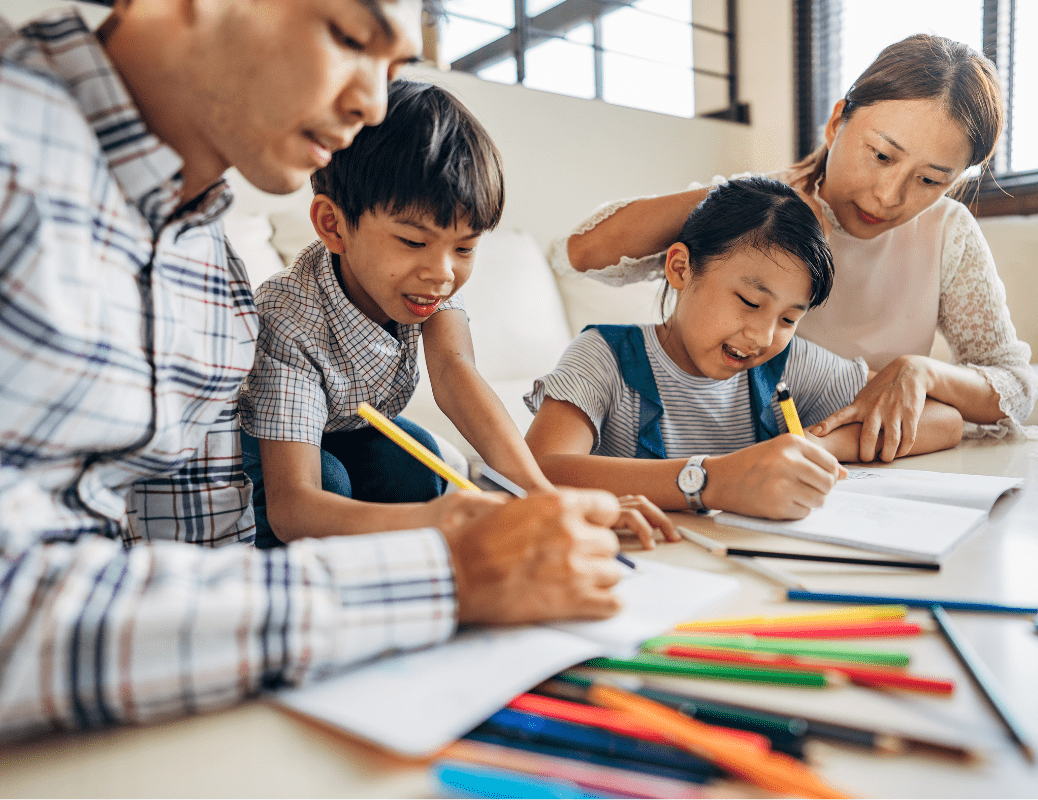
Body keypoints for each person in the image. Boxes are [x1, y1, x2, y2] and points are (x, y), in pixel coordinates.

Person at [0, 0, 625, 740]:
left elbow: (201, 538)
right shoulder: (21, 158)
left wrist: (530, 509)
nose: (370, 102)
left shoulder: (208, 271)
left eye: (393, 65)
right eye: (350, 36)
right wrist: (444, 573)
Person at [557, 34, 1038, 464]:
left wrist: (921, 373)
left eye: (931, 180)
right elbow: (581, 253)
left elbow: (1014, 386)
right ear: (837, 123)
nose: (888, 196)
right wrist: (746, 194)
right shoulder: (767, 208)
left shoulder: (947, 232)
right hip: (737, 448)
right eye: (881, 155)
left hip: (848, 459)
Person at [525, 177, 963, 520]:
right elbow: (537, 469)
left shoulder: (788, 366)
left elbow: (945, 421)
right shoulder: (605, 356)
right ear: (681, 268)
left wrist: (815, 445)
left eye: (789, 318)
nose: (762, 336)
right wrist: (712, 480)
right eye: (750, 302)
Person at [239, 80, 552, 549]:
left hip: (348, 427)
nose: (443, 273)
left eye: (465, 247)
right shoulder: (287, 316)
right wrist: (443, 521)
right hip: (266, 448)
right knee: (327, 483)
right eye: (413, 242)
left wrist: (541, 496)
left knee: (421, 464)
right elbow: (293, 507)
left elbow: (455, 373)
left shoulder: (428, 283)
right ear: (333, 225)